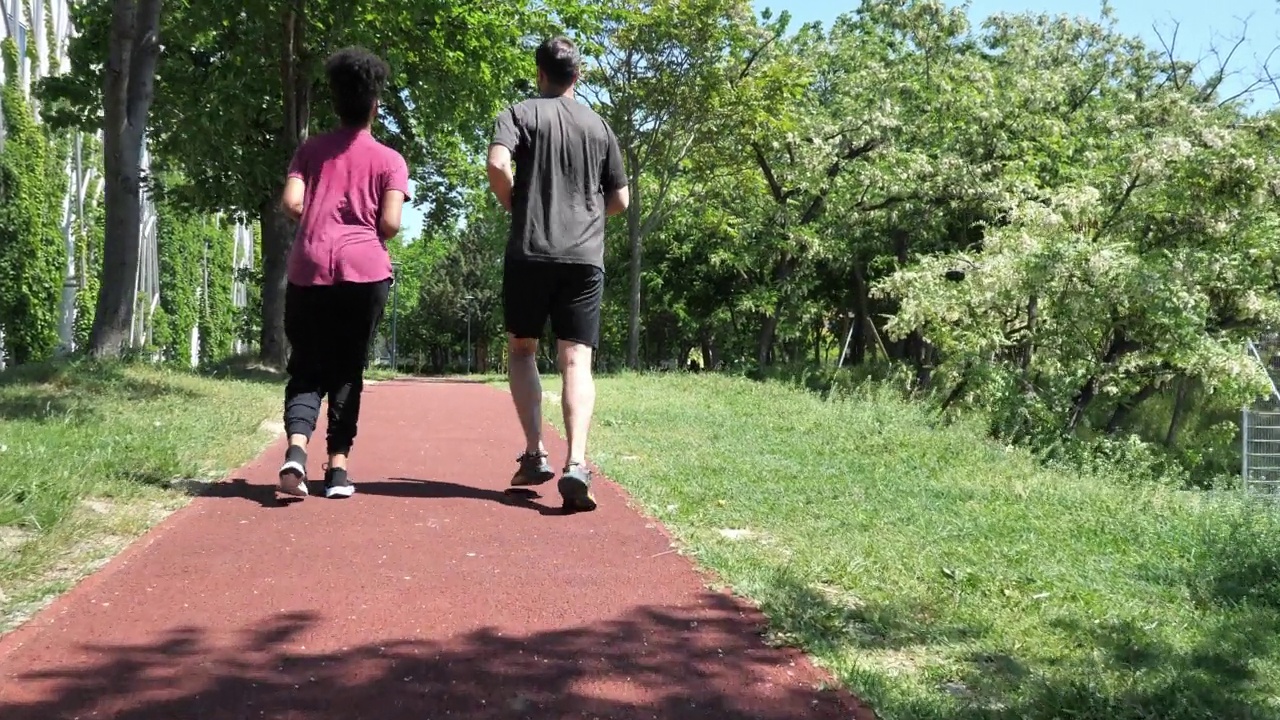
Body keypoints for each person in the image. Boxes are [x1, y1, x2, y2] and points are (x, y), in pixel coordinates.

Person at [486, 36, 630, 512]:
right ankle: (577, 463)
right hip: (584, 257)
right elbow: (621, 200)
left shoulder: (519, 113)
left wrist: (514, 202)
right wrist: (588, 216)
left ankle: (535, 453)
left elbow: (497, 163)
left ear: (539, 72)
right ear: (578, 76)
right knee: (576, 360)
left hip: (530, 251)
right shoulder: (600, 126)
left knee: (522, 349)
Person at [275, 47, 410, 499]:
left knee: (307, 365)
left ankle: (295, 452)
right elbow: (390, 224)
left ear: (335, 102)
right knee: (348, 369)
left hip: (309, 267)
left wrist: (317, 223)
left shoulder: (310, 151)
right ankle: (337, 470)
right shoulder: (390, 160)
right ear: (375, 104)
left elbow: (292, 203)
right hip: (364, 272)